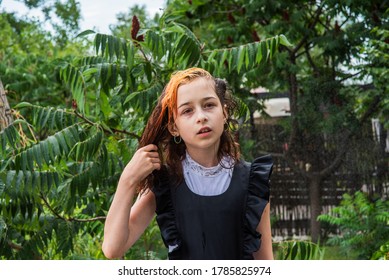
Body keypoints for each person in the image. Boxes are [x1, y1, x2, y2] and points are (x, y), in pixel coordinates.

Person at [102, 67, 274, 260]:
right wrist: (128, 179)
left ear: (224, 113)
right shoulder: (165, 184)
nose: (201, 116)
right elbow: (112, 249)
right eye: (187, 111)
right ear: (174, 127)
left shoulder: (253, 181)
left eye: (209, 105)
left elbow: (265, 262)